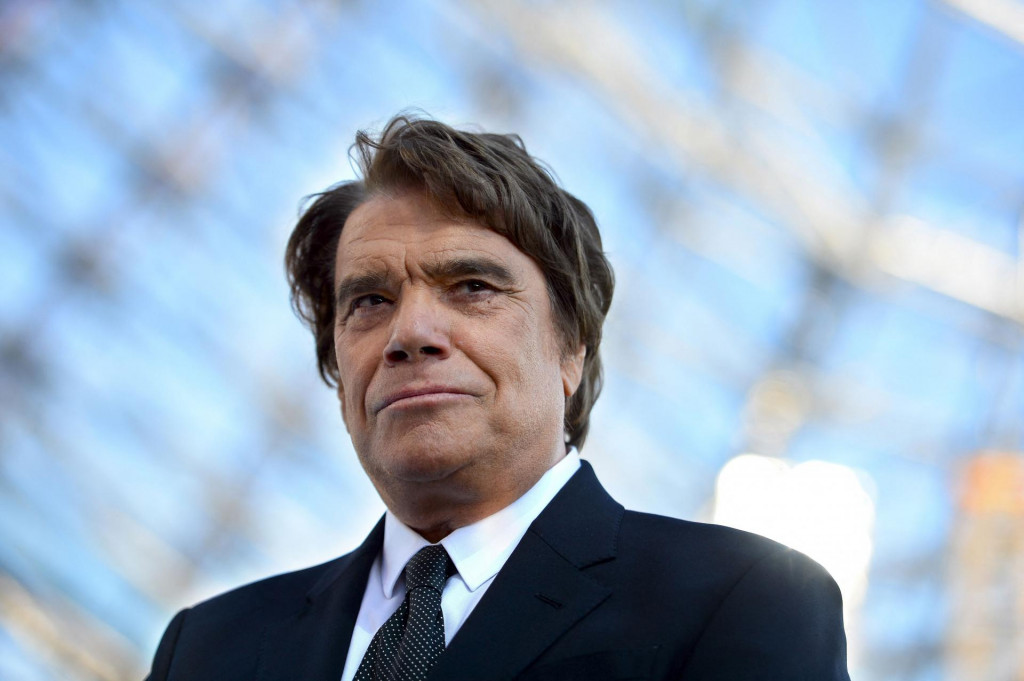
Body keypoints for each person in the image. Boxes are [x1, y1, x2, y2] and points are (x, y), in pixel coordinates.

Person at [144, 114, 851, 681]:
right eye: (368, 300)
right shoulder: (207, 650)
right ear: (338, 372)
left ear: (571, 347)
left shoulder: (741, 604)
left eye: (472, 287)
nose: (410, 332)